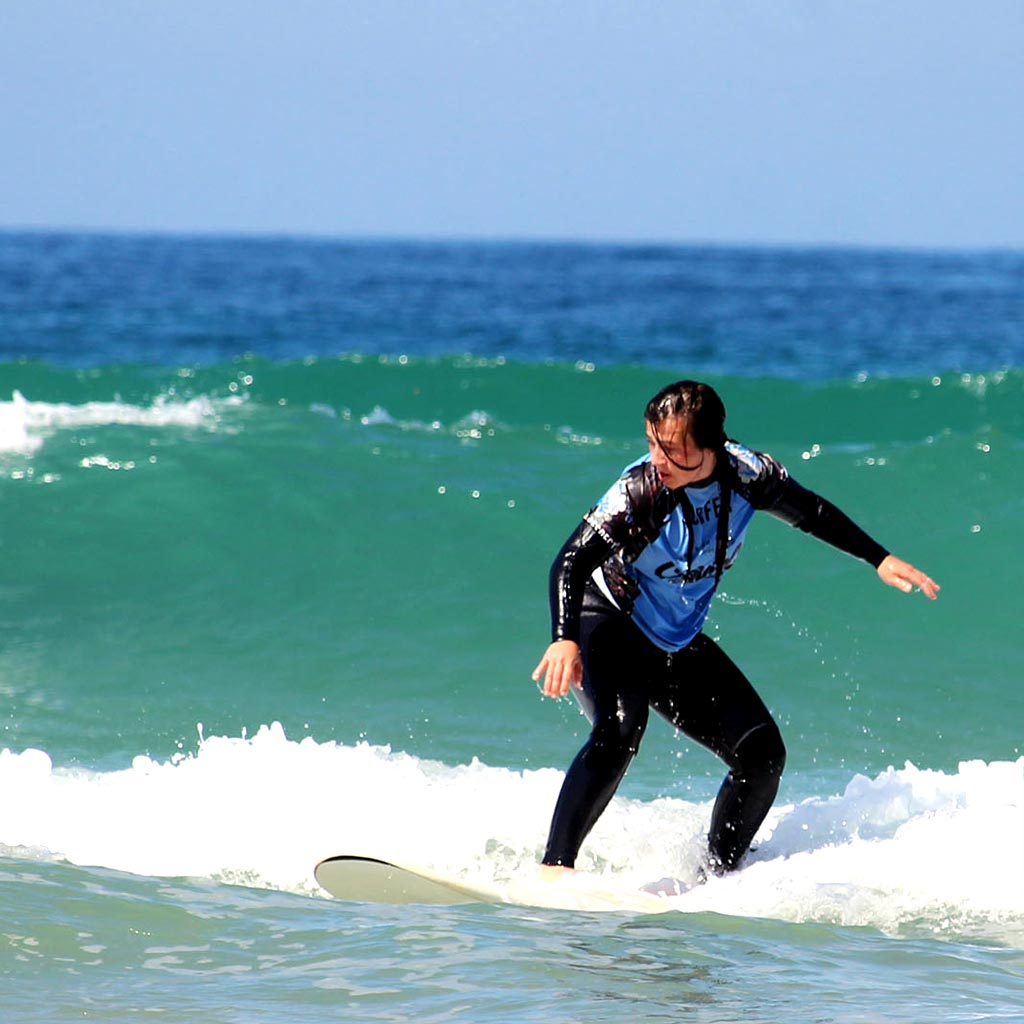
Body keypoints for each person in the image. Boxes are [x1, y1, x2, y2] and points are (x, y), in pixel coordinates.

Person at [531, 380, 939, 879]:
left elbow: (809, 512)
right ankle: (555, 868)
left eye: (672, 449)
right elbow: (571, 561)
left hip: (671, 637)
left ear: (709, 448)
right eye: (652, 442)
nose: (657, 458)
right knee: (619, 731)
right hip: (609, 617)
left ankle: (718, 875)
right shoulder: (641, 491)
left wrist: (878, 557)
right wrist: (564, 638)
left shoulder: (748, 476)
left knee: (763, 755)